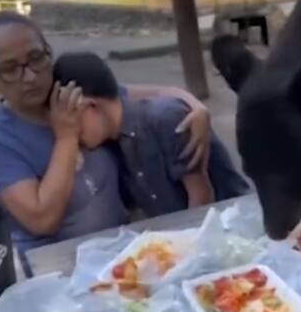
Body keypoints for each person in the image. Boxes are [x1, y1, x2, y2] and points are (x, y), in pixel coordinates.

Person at [0, 11, 212, 267]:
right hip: (56, 267)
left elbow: (145, 96)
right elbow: (42, 219)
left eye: (36, 59)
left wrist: (197, 108)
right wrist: (66, 138)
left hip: (121, 253)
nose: (29, 76)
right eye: (10, 70)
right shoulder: (0, 139)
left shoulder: (69, 91)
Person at [53, 51, 251, 215]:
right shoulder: (112, 143)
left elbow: (202, 198)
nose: (71, 132)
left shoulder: (165, 119)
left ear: (90, 105)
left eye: (71, 119)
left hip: (230, 224)